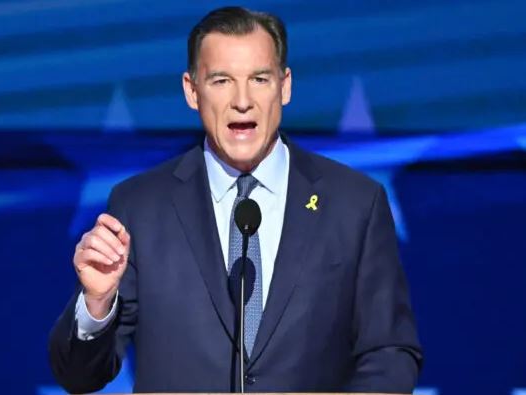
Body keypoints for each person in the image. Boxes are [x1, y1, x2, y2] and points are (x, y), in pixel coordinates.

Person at [49, 6, 423, 394]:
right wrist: (97, 304)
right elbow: (79, 377)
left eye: (259, 79)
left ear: (285, 85)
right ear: (192, 91)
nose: (242, 100)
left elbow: (390, 352)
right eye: (222, 80)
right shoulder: (140, 207)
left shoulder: (354, 204)